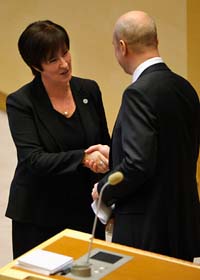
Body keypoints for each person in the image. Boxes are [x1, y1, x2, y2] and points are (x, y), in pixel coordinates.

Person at [89, 10, 200, 261]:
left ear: (122, 47)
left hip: (146, 229)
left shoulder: (138, 93)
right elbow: (173, 150)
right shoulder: (185, 88)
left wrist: (103, 188)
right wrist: (117, 153)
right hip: (180, 225)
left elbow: (138, 164)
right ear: (156, 41)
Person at [5, 20, 110, 259]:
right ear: (36, 65)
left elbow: (105, 142)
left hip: (85, 211)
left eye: (65, 53)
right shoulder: (21, 103)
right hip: (38, 217)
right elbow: (33, 160)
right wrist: (82, 158)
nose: (64, 64)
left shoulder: (89, 91)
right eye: (53, 60)